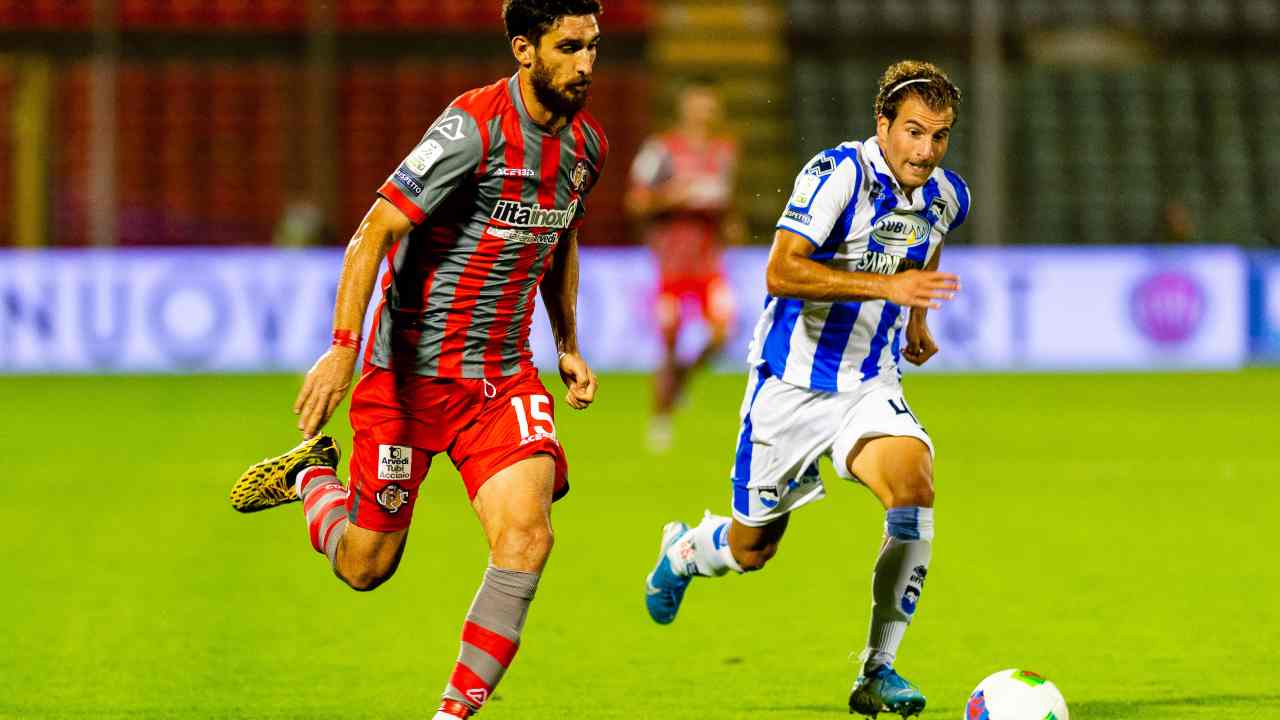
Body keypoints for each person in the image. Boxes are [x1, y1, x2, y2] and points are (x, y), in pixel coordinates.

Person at [228, 2, 607, 718]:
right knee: (367, 566)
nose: (586, 63)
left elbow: (560, 240)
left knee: (527, 535)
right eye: (568, 46)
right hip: (406, 380)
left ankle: (452, 714)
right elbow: (374, 231)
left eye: (593, 46)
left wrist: (566, 343)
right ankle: (312, 476)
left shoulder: (587, 147)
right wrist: (341, 351)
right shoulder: (473, 128)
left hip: (500, 380)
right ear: (525, 50)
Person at [643, 60, 969, 719]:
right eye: (912, 132)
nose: (925, 150)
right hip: (789, 386)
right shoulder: (837, 175)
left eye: (938, 136)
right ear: (883, 126)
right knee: (751, 548)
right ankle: (686, 550)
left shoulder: (946, 195)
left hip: (867, 383)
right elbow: (781, 271)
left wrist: (917, 319)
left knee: (915, 484)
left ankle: (878, 669)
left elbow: (925, 247)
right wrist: (889, 289)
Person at [624, 77, 743, 452]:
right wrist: (673, 197)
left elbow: (727, 201)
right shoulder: (661, 149)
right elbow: (636, 202)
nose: (704, 113)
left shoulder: (725, 151)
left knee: (723, 332)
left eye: (709, 106)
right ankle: (660, 420)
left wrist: (731, 223)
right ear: (685, 109)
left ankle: (682, 382)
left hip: (708, 263)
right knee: (670, 343)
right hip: (671, 265)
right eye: (698, 105)